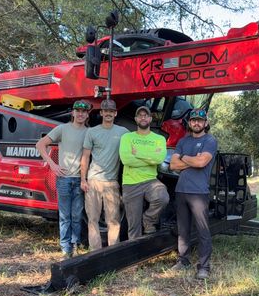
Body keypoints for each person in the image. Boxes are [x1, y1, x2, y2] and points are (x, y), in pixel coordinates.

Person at [36, 99, 91, 257]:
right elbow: (40, 144)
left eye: (84, 112)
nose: (80, 114)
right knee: (65, 216)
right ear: (73, 112)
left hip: (80, 179)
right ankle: (66, 248)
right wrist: (52, 165)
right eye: (78, 111)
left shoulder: (90, 132)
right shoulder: (62, 129)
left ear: (87, 115)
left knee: (77, 215)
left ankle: (75, 244)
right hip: (64, 180)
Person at [169, 108, 218, 279]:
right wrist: (192, 160)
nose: (196, 123)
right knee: (183, 230)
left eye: (200, 120)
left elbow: (201, 161)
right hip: (181, 190)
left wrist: (183, 157)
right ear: (189, 123)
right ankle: (183, 260)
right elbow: (173, 165)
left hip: (199, 192)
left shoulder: (210, 140)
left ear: (206, 123)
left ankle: (204, 266)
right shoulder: (183, 141)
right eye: (193, 120)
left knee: (202, 230)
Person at [80, 98, 128, 250]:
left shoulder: (124, 133)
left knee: (113, 220)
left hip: (111, 182)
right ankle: (95, 252)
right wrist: (83, 179)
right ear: (101, 113)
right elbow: (86, 156)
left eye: (111, 111)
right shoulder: (92, 132)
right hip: (93, 181)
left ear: (115, 113)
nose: (108, 113)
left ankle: (113, 252)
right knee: (92, 219)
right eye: (106, 111)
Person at [119, 106, 169, 239]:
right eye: (140, 115)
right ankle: (135, 255)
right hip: (130, 183)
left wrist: (137, 153)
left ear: (150, 119)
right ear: (136, 119)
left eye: (145, 115)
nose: (143, 117)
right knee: (133, 226)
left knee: (163, 197)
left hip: (150, 181)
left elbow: (158, 159)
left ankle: (148, 219)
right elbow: (126, 160)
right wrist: (150, 157)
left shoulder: (159, 139)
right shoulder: (127, 137)